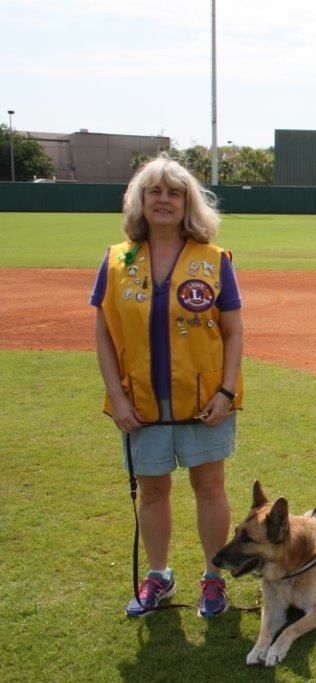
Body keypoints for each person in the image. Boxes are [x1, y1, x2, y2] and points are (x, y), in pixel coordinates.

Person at [92, 155, 243, 618]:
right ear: (140, 201)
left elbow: (234, 331)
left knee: (210, 488)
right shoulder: (117, 259)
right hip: (139, 401)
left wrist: (226, 392)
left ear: (187, 203)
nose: (163, 199)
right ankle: (158, 575)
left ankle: (213, 578)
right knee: (153, 491)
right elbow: (102, 331)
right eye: (154, 191)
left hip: (203, 400)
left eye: (174, 192)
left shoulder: (214, 259)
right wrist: (116, 398)